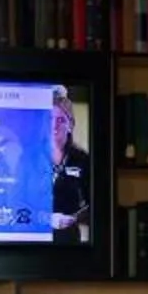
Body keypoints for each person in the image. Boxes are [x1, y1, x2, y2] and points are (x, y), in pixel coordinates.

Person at [47, 87, 91, 241]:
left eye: (60, 120)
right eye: (50, 119)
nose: (54, 126)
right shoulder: (31, 158)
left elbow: (94, 203)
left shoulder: (82, 159)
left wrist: (75, 218)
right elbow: (17, 203)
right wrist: (47, 218)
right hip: (36, 240)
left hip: (68, 240)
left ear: (70, 124)